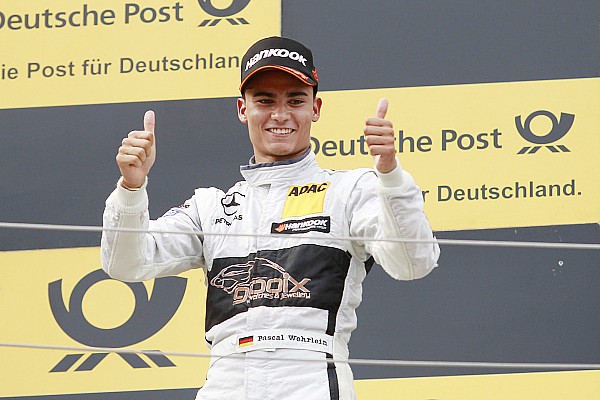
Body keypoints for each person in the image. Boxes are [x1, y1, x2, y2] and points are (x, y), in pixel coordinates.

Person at [101, 36, 440, 400]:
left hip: (310, 375)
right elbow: (126, 264)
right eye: (265, 100)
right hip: (226, 377)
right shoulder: (210, 206)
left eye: (295, 100)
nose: (280, 114)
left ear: (316, 108)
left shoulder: (349, 190)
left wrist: (390, 176)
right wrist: (131, 189)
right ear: (242, 109)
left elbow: (413, 263)